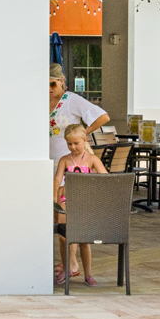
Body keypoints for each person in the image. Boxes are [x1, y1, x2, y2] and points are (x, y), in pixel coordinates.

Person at [53, 122, 107, 285]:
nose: (73, 147)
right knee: (63, 235)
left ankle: (88, 273)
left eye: (76, 143)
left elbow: (105, 176)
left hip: (84, 201)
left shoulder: (92, 159)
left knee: (84, 239)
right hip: (67, 200)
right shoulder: (65, 160)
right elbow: (56, 180)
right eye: (69, 143)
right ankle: (68, 267)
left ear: (84, 140)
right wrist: (55, 197)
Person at [48, 65, 109, 160]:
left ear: (61, 81)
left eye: (52, 84)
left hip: (70, 159)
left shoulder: (72, 100)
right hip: (46, 161)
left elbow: (103, 117)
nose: (49, 88)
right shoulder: (42, 102)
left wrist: (82, 134)